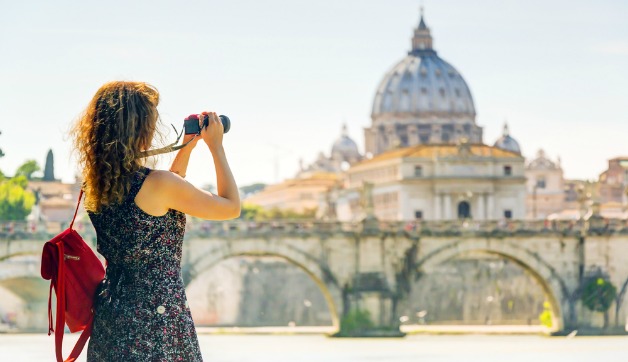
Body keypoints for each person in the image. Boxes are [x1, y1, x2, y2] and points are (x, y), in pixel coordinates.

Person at [71, 81, 240, 361]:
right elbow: (231, 207)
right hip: (157, 320)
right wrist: (216, 147)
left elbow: (166, 196)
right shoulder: (158, 184)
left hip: (112, 317)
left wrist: (185, 149)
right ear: (140, 129)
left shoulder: (98, 185)